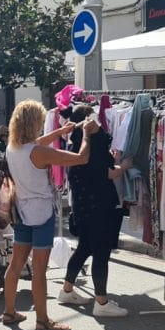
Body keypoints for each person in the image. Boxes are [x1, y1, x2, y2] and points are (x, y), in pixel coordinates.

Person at [0, 100, 89, 330]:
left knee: (16, 264)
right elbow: (81, 158)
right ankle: (42, 321)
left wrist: (60, 131)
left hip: (20, 209)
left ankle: (9, 312)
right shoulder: (39, 153)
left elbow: (36, 145)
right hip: (41, 213)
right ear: (34, 123)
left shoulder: (13, 148)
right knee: (40, 270)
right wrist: (88, 134)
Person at [59, 104, 131, 318]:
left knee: (84, 248)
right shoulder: (92, 149)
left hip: (83, 208)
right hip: (99, 207)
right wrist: (125, 165)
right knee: (101, 253)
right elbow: (108, 174)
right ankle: (101, 302)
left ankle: (67, 290)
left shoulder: (74, 148)